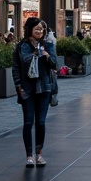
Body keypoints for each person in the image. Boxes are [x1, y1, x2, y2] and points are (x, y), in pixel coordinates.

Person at [11, 17, 57, 168]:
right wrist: (18, 86)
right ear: (30, 29)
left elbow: (55, 64)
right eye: (37, 29)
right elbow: (16, 67)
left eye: (42, 29)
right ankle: (29, 156)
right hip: (27, 89)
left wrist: (47, 55)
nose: (40, 31)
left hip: (44, 88)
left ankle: (39, 154)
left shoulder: (48, 45)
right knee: (28, 122)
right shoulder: (21, 47)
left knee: (41, 122)